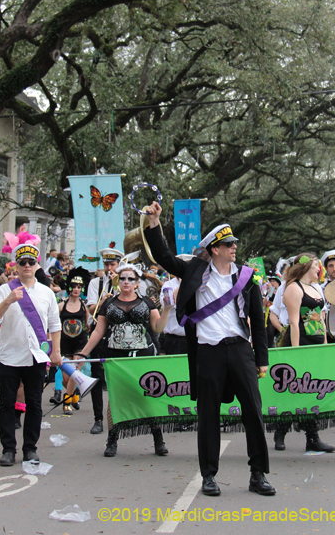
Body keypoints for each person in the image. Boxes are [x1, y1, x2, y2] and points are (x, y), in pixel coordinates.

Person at [144, 207, 274, 497]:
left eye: (235, 243)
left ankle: (258, 474)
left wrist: (262, 359)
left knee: (253, 412)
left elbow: (258, 321)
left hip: (240, 349)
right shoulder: (194, 271)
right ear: (214, 249)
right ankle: (209, 476)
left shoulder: (247, 277)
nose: (234, 248)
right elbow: (163, 256)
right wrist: (153, 223)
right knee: (208, 415)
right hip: (208, 351)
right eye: (228, 244)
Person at [78, 261, 169, 457]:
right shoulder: (108, 303)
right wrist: (83, 353)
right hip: (115, 356)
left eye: (130, 279)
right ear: (118, 281)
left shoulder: (147, 302)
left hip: (142, 356)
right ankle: (112, 440)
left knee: (148, 397)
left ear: (137, 283)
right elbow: (98, 331)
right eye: (123, 278)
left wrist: (167, 310)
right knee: (115, 399)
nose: (126, 281)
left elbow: (157, 328)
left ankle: (158, 439)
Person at [0, 243, 62, 467]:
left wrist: (56, 351)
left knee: (34, 404)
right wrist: (8, 300)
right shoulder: (5, 290)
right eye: (22, 262)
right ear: (16, 266)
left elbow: (55, 325)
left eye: (31, 262)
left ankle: (30, 448)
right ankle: (8, 449)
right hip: (9, 355)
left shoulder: (46, 292)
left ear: (37, 265)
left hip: (36, 356)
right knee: (7, 404)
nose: (27, 265)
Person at [274, 253, 335, 453]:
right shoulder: (293, 288)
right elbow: (293, 323)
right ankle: (290, 432)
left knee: (310, 390)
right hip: (301, 344)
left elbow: (321, 320)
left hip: (316, 345)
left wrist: (325, 345)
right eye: (317, 265)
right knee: (297, 390)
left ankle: (305, 435)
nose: (320, 269)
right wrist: (296, 351)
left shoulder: (317, 288)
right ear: (307, 266)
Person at [84, 247, 125, 435]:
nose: (109, 268)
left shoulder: (126, 281)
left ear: (119, 265)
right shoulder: (96, 282)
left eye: (112, 264)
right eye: (107, 264)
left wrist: (118, 289)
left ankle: (119, 416)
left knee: (119, 377)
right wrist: (104, 302)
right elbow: (91, 308)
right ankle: (98, 419)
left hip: (119, 333)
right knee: (97, 376)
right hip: (99, 332)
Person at [57, 271, 89, 414]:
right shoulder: (61, 305)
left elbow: (87, 325)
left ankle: (67, 402)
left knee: (75, 372)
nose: (76, 289)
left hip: (80, 342)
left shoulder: (84, 306)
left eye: (79, 287)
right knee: (66, 378)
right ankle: (74, 395)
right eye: (74, 286)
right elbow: (54, 325)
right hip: (65, 342)